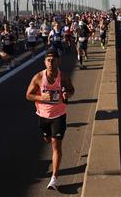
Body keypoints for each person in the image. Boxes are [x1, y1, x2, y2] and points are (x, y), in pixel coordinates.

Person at [26, 49, 75, 190]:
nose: (51, 62)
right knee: (47, 139)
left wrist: (67, 94)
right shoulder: (39, 77)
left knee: (56, 145)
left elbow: (72, 90)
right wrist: (42, 97)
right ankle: (46, 134)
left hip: (59, 115)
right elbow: (28, 95)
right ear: (44, 62)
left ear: (58, 61)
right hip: (43, 116)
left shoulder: (63, 76)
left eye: (53, 60)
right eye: (48, 60)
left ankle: (54, 178)